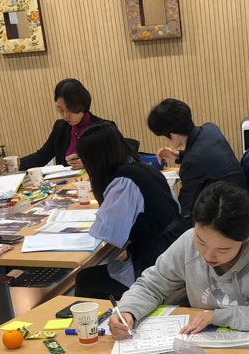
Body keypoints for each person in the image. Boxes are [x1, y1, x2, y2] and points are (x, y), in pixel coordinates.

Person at [109, 181, 249, 337]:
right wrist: (129, 311)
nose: (208, 256)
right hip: (203, 344)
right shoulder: (188, 242)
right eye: (201, 241)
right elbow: (152, 285)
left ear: (247, 239)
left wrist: (219, 317)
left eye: (223, 249)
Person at [73, 122, 186, 300]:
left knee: (84, 279)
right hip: (174, 253)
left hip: (155, 264)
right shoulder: (144, 168)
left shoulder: (124, 182)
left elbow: (109, 233)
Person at [147, 98, 246, 218]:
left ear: (173, 136)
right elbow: (206, 157)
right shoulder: (210, 129)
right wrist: (178, 155)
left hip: (228, 214)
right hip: (242, 199)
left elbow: (185, 210)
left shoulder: (191, 163)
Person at [19, 78, 109, 171]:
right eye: (61, 110)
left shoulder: (105, 128)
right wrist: (17, 164)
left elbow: (115, 162)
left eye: (70, 109)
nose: (65, 115)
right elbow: (41, 156)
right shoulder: (60, 127)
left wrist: (89, 163)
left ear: (82, 105)